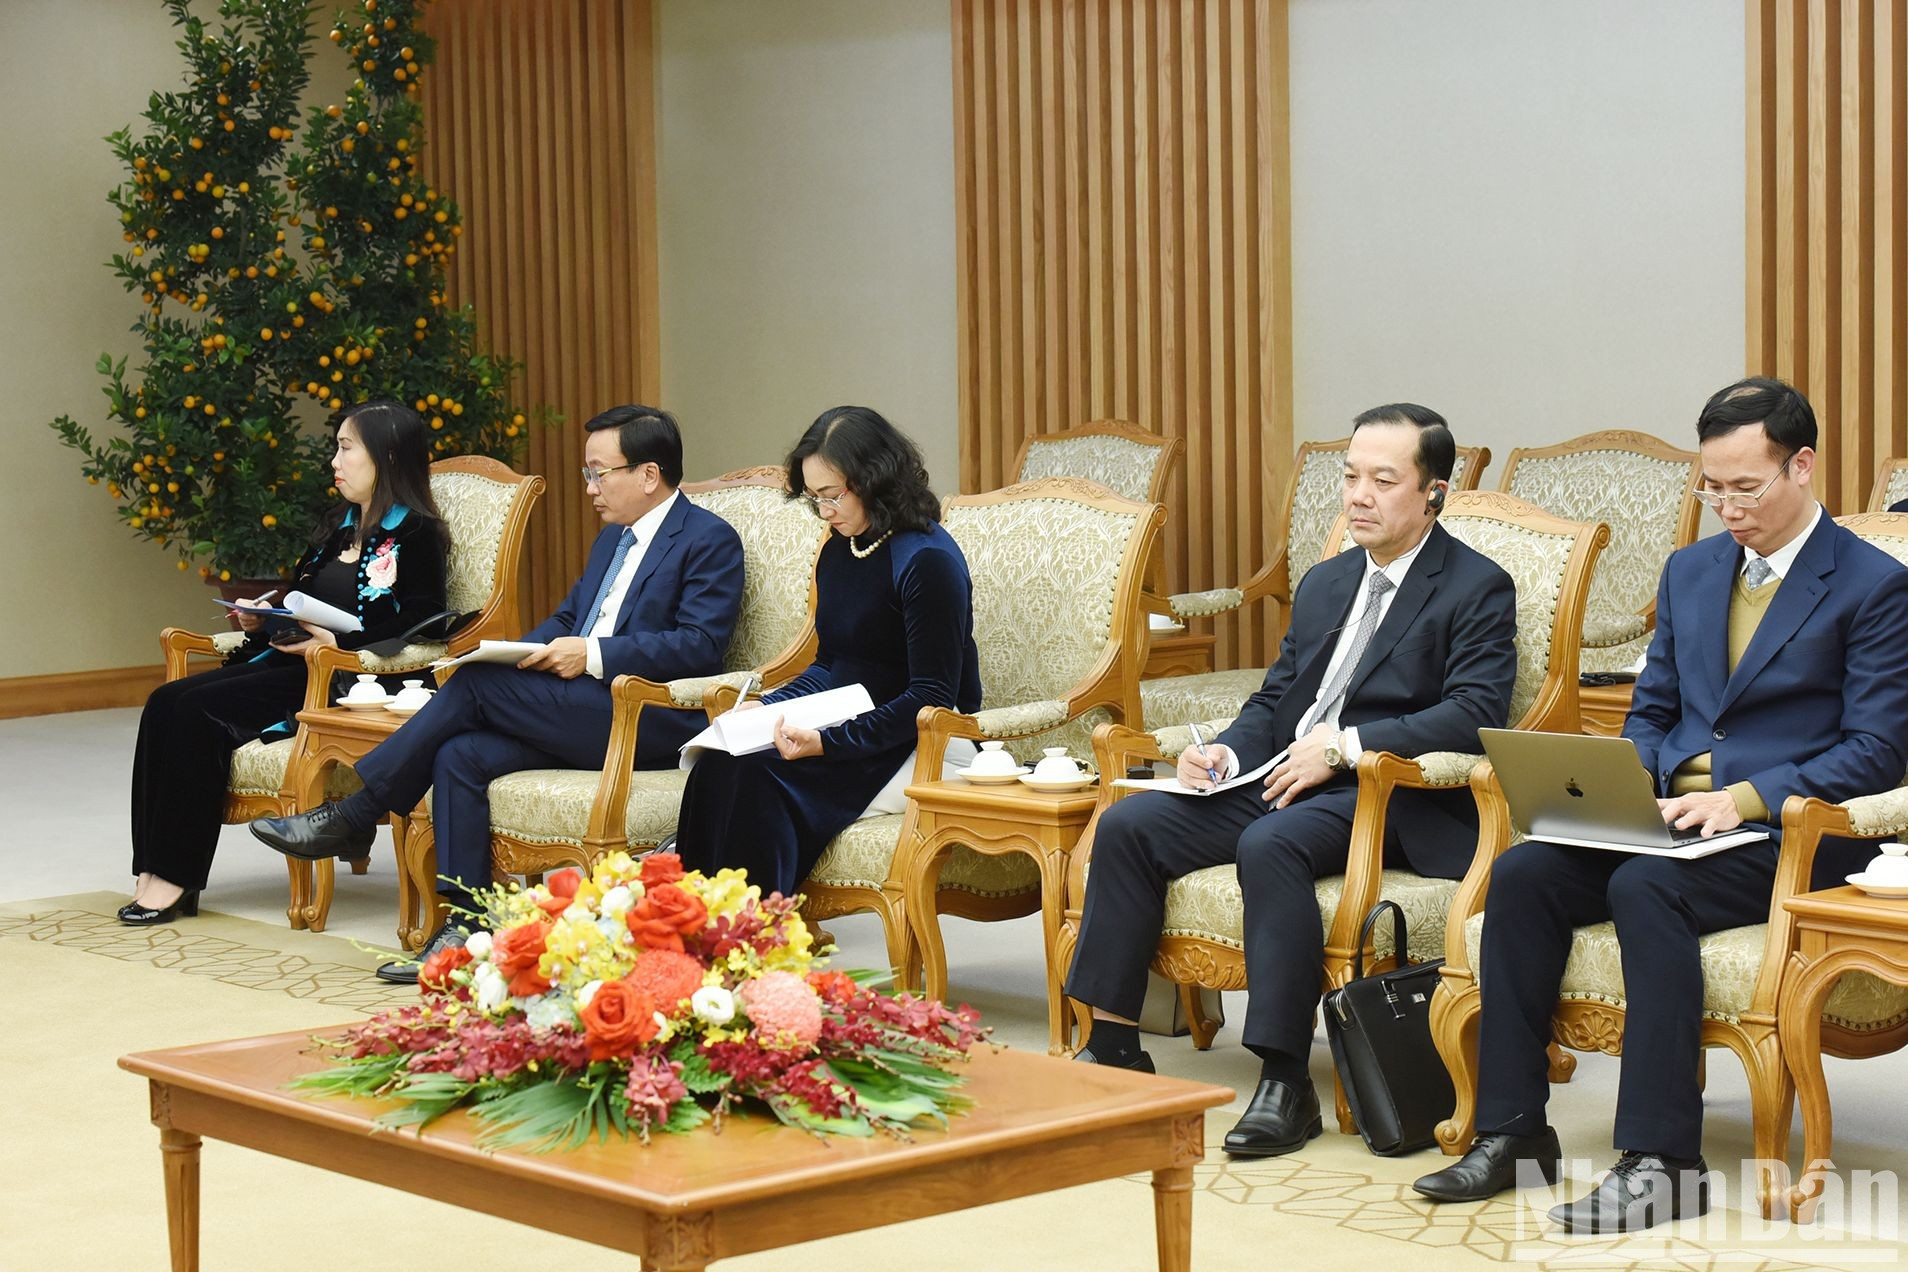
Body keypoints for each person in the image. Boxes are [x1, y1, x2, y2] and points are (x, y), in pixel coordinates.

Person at [1414, 378, 1908, 1233]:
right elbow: (1654, 713)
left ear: (1803, 466)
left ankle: (1661, 1160)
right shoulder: (1690, 570)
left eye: (1744, 487)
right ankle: (1509, 1134)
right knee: (1526, 872)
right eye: (1710, 487)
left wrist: (1745, 797)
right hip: (1670, 823)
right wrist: (1622, 782)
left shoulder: (1875, 586)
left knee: (1647, 891)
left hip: (1788, 832)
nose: (1724, 507)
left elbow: (1878, 750)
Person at [1065, 404, 1519, 1159]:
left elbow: (1474, 713)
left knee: (1271, 844)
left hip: (1388, 791)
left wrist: (1342, 748)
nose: (1358, 497)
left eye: (1383, 480)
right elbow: (1278, 699)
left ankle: (1284, 1080)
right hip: (1285, 772)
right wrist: (1227, 756)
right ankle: (1113, 1046)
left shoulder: (1476, 586)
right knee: (1129, 824)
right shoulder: (1328, 581)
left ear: (1433, 493)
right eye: (1350, 477)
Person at [249, 404, 745, 980]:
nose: (589, 488)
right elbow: (564, 621)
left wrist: (592, 654)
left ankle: (358, 811)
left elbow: (699, 645)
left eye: (597, 472)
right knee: (460, 753)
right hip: (578, 708)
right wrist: (515, 656)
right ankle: (466, 929)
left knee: (476, 688)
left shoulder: (709, 539)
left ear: (648, 474)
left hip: (648, 716)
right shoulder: (612, 542)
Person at [124, 400, 450, 925]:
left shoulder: (415, 533)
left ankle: (177, 878)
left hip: (345, 677)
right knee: (163, 702)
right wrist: (265, 616)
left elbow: (427, 620)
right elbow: (299, 595)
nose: (334, 463)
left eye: (346, 449)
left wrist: (346, 641)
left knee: (192, 713)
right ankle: (153, 869)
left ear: (387, 455)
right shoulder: (339, 524)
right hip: (289, 663)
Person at [670, 405, 981, 898]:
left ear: (874, 480)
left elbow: (933, 695)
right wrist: (766, 707)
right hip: (851, 720)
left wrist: (829, 743)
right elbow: (830, 663)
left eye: (831, 496)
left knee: (759, 774)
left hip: (926, 741)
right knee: (723, 760)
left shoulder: (927, 562)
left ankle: (756, 940)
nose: (825, 512)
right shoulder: (844, 546)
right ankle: (696, 930)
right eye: (814, 499)